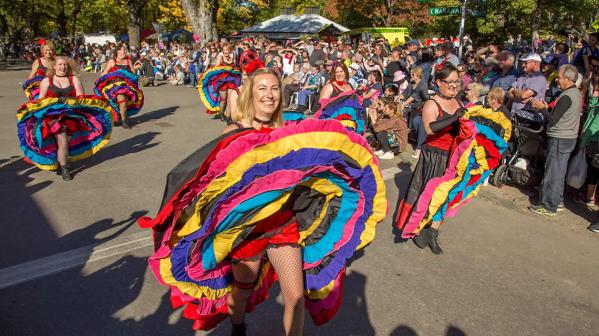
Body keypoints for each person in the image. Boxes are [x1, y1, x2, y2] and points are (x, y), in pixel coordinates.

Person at [221, 68, 303, 336]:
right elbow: (214, 186)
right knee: (242, 294)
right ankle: (238, 328)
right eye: (262, 88)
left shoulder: (288, 131)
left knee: (295, 298)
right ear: (250, 94)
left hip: (282, 223)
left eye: (275, 88)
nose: (270, 95)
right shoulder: (234, 132)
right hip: (246, 229)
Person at [395, 63, 464, 255]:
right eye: (449, 82)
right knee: (426, 195)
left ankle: (433, 231)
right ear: (439, 82)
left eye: (456, 82)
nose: (454, 85)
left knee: (445, 197)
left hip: (453, 159)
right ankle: (418, 228)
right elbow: (429, 128)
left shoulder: (458, 102)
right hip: (434, 157)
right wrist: (455, 118)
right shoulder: (431, 103)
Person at [529, 65, 582, 216]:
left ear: (568, 79)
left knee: (553, 172)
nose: (557, 79)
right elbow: (561, 115)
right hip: (567, 137)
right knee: (559, 171)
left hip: (560, 138)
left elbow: (553, 120)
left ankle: (548, 205)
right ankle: (556, 201)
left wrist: (542, 109)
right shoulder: (574, 93)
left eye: (559, 77)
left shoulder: (567, 96)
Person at [37, 56, 85, 180]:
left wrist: (70, 100)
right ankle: (65, 169)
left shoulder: (73, 79)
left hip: (70, 116)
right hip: (52, 117)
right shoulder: (47, 81)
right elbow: (40, 100)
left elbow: (81, 97)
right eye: (60, 65)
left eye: (65, 65)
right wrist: (54, 102)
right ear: (54, 66)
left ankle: (60, 161)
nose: (63, 67)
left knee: (64, 142)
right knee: (62, 140)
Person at [98, 42, 142, 129]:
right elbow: (104, 73)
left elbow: (132, 72)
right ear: (118, 51)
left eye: (125, 49)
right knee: (120, 100)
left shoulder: (128, 60)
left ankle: (124, 120)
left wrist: (136, 68)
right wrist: (101, 79)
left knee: (124, 101)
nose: (125, 51)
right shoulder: (112, 61)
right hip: (114, 86)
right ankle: (122, 119)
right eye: (123, 49)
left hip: (126, 85)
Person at [577, 56, 599, 214]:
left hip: (593, 137)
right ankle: (588, 195)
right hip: (588, 131)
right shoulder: (591, 86)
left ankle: (590, 197)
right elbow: (590, 106)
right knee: (590, 167)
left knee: (593, 167)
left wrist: (585, 137)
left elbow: (595, 122)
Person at [508, 53, 547, 117]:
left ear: (535, 63)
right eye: (522, 63)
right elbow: (509, 93)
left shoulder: (540, 78)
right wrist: (520, 98)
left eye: (526, 62)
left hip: (529, 119)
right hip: (515, 116)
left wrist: (514, 92)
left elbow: (524, 95)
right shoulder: (522, 76)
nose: (523, 65)